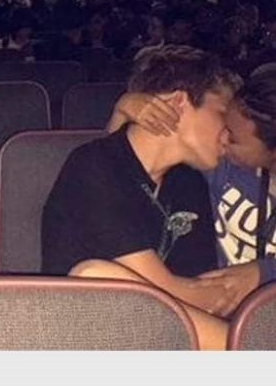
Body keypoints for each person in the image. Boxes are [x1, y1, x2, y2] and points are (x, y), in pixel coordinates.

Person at [41, 45, 241, 350]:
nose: (230, 133)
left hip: (169, 343)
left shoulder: (190, 183)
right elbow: (164, 290)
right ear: (178, 102)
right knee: (97, 276)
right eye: (223, 113)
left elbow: (200, 289)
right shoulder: (92, 166)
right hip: (89, 342)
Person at [109, 65, 276, 317]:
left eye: (233, 139)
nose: (223, 139)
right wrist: (123, 110)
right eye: (224, 125)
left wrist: (263, 272)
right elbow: (117, 174)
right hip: (218, 312)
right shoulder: (222, 170)